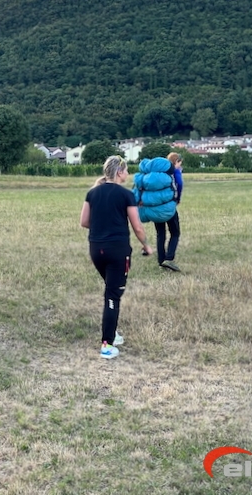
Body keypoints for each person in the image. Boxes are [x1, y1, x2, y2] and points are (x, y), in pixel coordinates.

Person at [80, 156, 151, 359]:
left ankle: (112, 332)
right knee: (113, 296)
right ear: (119, 172)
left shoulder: (92, 193)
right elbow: (137, 226)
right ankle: (106, 345)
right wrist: (146, 245)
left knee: (111, 290)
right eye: (126, 170)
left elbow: (84, 222)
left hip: (96, 250)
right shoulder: (126, 195)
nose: (127, 174)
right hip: (117, 251)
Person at [150, 152, 184, 272]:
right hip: (169, 207)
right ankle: (169, 258)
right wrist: (178, 198)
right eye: (180, 163)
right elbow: (179, 183)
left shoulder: (158, 173)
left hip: (156, 207)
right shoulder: (174, 172)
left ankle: (161, 260)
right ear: (177, 162)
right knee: (175, 233)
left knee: (160, 234)